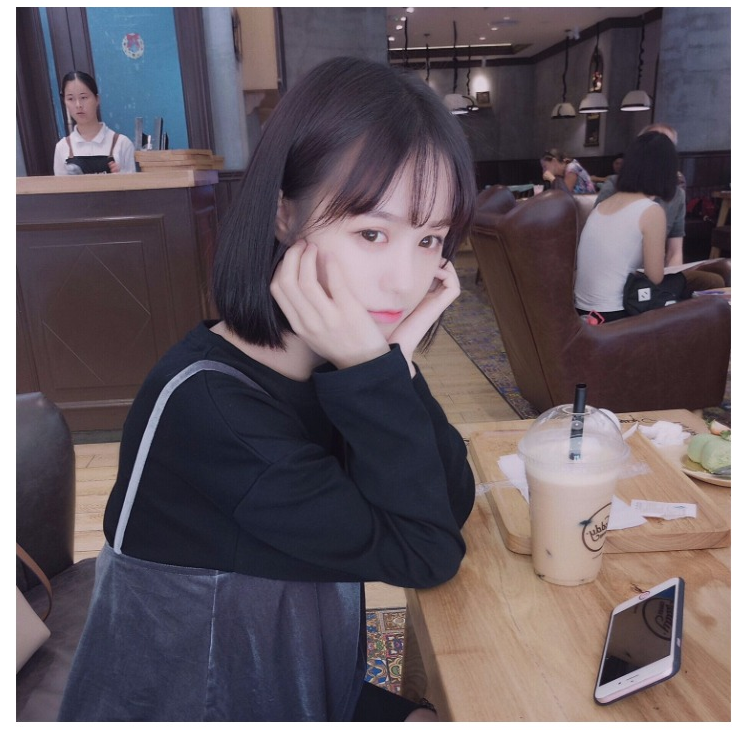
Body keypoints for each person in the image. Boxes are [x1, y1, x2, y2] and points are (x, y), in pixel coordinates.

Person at [58, 57, 476, 722]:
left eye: (430, 240)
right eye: (372, 232)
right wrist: (373, 373)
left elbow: (447, 505)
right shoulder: (209, 407)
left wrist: (392, 364)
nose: (406, 280)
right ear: (284, 214)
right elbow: (426, 553)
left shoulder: (336, 365)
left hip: (302, 673)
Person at [595, 123, 728, 289]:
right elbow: (601, 243)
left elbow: (674, 251)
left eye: (664, 146)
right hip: (623, 276)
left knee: (714, 280)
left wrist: (672, 283)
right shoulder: (616, 186)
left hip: (655, 274)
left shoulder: (676, 195)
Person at [574, 131, 686, 322]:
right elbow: (655, 276)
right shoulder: (651, 211)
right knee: (681, 282)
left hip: (582, 310)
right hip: (616, 311)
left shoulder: (601, 206)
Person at [53, 71, 136, 175]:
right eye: (71, 99)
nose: (78, 105)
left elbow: (133, 184)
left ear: (97, 99)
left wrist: (121, 177)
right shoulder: (62, 147)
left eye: (83, 97)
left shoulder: (122, 143)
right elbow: (60, 185)